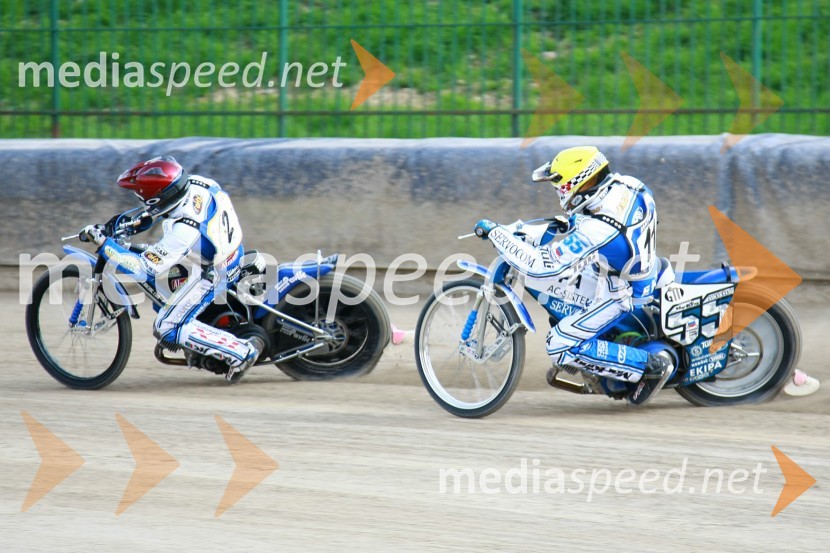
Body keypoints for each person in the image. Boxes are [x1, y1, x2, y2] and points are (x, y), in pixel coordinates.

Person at [473, 146, 673, 406]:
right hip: (634, 270)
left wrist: (497, 234)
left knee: (559, 345)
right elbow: (600, 222)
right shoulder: (627, 185)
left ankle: (649, 367)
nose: (558, 191)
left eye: (559, 186)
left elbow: (540, 265)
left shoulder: (597, 229)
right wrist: (568, 225)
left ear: (575, 183)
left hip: (619, 291)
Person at [78, 156, 264, 382]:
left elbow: (143, 269)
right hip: (224, 248)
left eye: (143, 197)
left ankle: (241, 353)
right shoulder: (197, 183)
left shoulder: (183, 233)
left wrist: (105, 245)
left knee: (167, 327)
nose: (141, 200)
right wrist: (124, 225)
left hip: (216, 270)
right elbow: (156, 212)